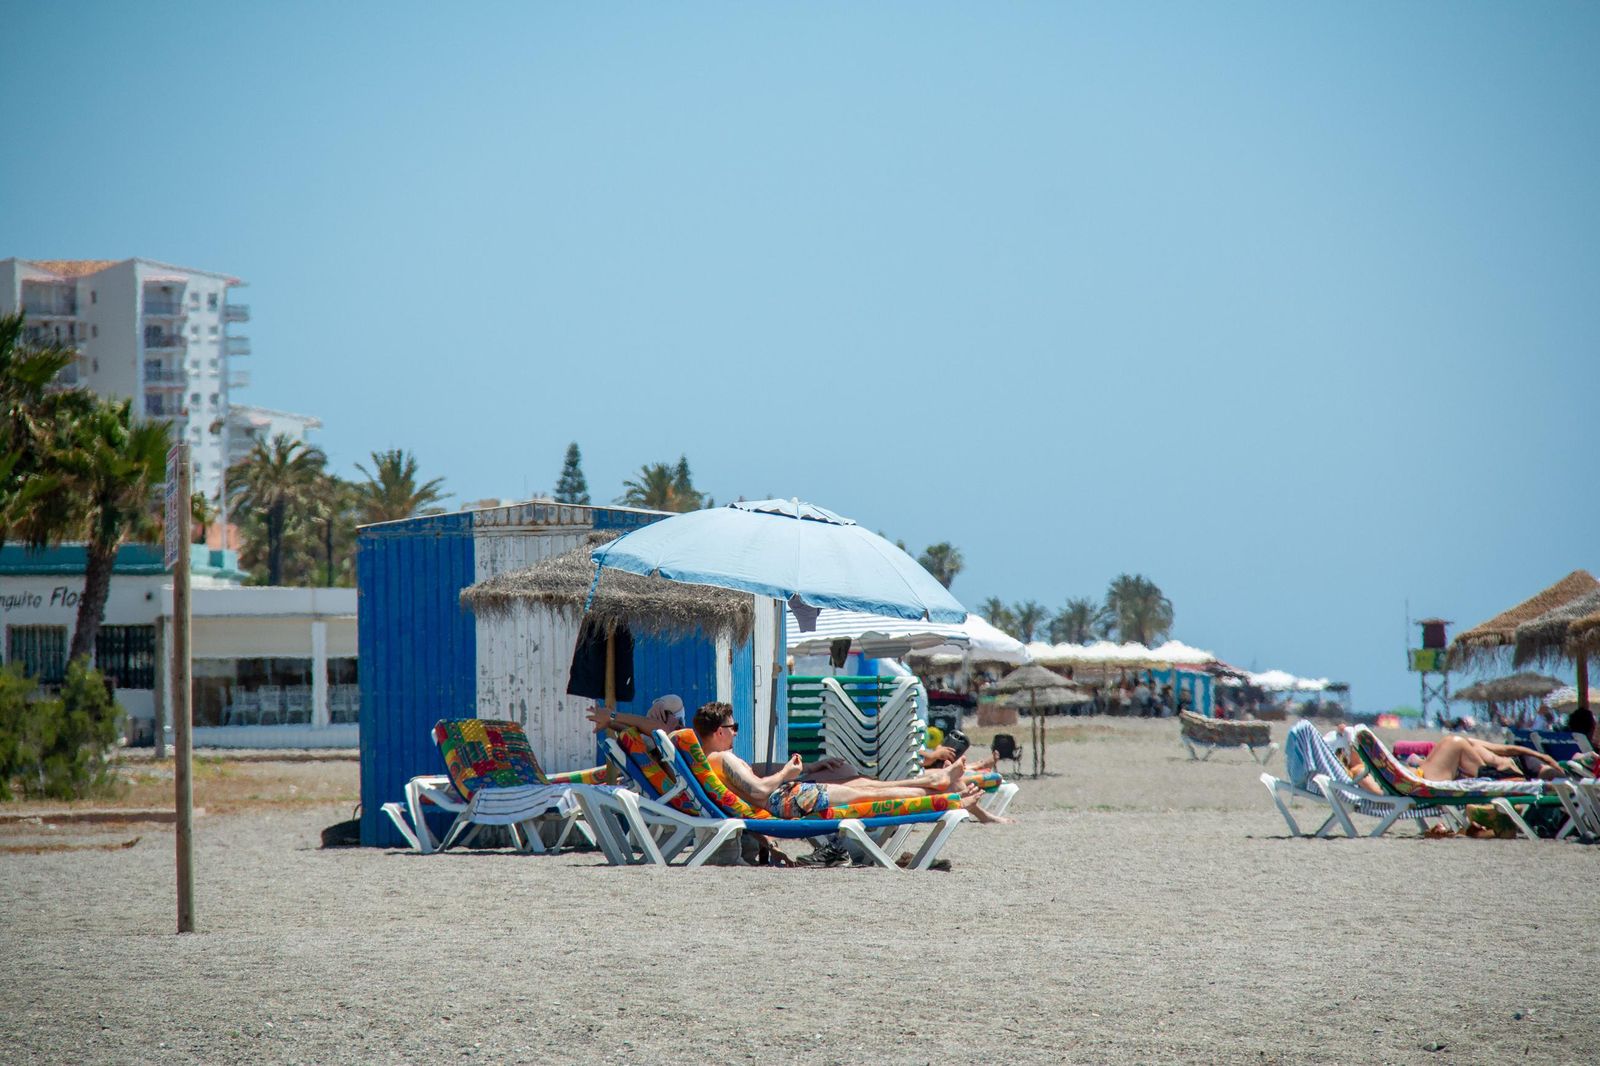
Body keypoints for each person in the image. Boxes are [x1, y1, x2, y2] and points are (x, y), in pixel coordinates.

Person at [691, 702, 981, 819]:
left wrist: (804, 769)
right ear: (719, 732)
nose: (736, 732)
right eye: (733, 727)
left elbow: (754, 779)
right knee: (867, 794)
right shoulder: (722, 758)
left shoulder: (715, 760)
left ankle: (936, 782)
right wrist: (787, 774)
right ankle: (947, 796)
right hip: (788, 800)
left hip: (790, 797)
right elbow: (758, 791)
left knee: (866, 788)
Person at [586, 693, 684, 735]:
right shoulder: (656, 739)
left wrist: (612, 716)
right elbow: (637, 732)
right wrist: (610, 722)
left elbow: (658, 729)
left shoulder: (673, 738)